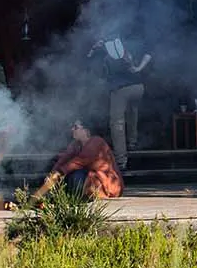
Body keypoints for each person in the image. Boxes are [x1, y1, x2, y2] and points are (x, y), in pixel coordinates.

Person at [89, 35, 152, 168]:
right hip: (138, 87)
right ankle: (132, 142)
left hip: (120, 89)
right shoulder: (133, 43)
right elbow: (148, 54)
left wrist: (94, 49)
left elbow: (94, 66)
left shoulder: (107, 52)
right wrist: (139, 68)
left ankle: (121, 160)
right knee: (132, 111)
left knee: (117, 123)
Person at [35, 119, 123, 200]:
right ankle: (65, 198)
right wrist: (52, 173)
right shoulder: (76, 144)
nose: (72, 129)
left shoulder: (97, 142)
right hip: (91, 182)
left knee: (77, 174)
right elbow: (64, 158)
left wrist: (59, 173)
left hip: (107, 186)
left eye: (76, 127)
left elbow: (80, 161)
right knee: (67, 172)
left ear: (86, 131)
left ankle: (75, 199)